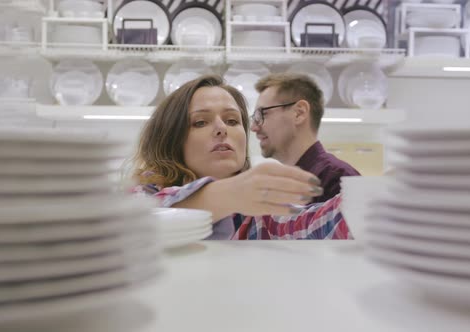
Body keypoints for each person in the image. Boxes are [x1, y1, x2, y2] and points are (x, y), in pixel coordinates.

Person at [131, 74, 351, 240]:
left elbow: (317, 222)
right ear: (171, 140)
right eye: (200, 122)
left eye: (232, 121)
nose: (221, 129)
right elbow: (138, 223)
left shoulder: (259, 215)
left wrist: (372, 198)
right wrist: (230, 194)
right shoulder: (141, 195)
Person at [252, 73, 360, 203]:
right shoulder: (284, 186)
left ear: (299, 113)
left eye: (262, 114)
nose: (254, 127)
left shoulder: (337, 180)